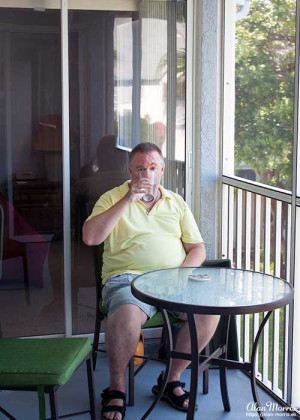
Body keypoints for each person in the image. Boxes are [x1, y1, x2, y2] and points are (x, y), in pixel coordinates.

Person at [82, 142, 220, 420]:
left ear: (162, 170)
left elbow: (198, 249)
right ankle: (117, 388)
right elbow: (90, 238)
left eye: (153, 168)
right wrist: (127, 200)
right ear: (130, 170)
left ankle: (171, 379)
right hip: (127, 280)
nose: (147, 174)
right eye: (141, 169)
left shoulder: (176, 202)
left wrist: (181, 274)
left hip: (174, 279)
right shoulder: (112, 198)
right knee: (125, 317)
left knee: (209, 311)